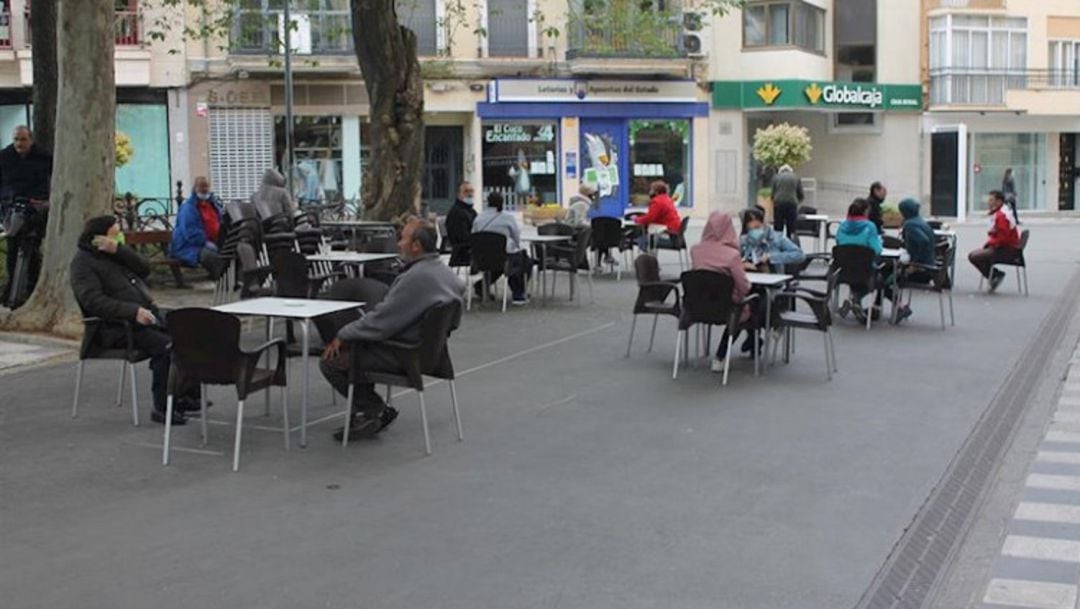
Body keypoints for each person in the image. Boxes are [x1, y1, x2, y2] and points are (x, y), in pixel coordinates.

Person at [320, 219, 464, 441]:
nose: (399, 244)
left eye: (403, 238)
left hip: (404, 354)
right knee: (360, 343)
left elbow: (381, 323)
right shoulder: (448, 276)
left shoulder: (415, 278)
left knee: (332, 360)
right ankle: (369, 413)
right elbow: (453, 322)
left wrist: (343, 334)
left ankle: (373, 409)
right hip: (432, 353)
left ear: (416, 245)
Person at [70, 216, 200, 426]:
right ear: (98, 237)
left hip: (147, 313)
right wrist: (132, 312)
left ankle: (185, 396)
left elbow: (144, 268)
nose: (119, 234)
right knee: (166, 345)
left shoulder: (113, 254)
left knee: (189, 329)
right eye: (115, 232)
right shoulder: (82, 264)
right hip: (115, 326)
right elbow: (94, 301)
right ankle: (162, 407)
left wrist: (119, 250)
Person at [690, 212, 753, 373]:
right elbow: (744, 287)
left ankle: (752, 342)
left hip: (697, 306)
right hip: (726, 308)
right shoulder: (732, 256)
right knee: (750, 305)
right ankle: (722, 354)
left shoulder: (695, 251)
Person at [0, 125, 52, 306]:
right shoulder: (4, 157)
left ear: (30, 140)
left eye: (23, 140)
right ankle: (11, 292)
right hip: (11, 207)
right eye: (16, 139)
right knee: (13, 250)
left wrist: (46, 201)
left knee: (32, 249)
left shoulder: (44, 156)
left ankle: (31, 289)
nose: (19, 144)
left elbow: (54, 178)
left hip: (36, 207)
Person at [472, 191, 531, 305]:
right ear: (502, 203)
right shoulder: (507, 218)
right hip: (503, 257)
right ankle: (518, 293)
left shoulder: (478, 219)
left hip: (481, 258)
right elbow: (516, 238)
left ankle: (481, 285)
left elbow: (473, 235)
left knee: (496, 263)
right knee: (524, 260)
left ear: (488, 203)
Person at [886, 198, 937, 323]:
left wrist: (914, 264)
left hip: (920, 270)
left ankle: (899, 306)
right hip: (929, 267)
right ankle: (888, 307)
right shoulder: (921, 222)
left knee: (884, 279)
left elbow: (923, 241)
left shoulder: (910, 225)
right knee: (888, 272)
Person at [835, 198, 883, 323]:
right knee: (882, 276)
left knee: (854, 267)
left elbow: (839, 244)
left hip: (843, 271)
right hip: (865, 271)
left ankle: (854, 301)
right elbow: (877, 250)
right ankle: (856, 300)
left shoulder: (841, 226)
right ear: (866, 211)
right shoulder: (870, 227)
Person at [170, 176, 226, 278]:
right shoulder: (188, 208)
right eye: (201, 186)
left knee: (233, 252)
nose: (204, 189)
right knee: (209, 256)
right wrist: (205, 242)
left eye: (206, 186)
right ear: (195, 188)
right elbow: (190, 233)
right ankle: (223, 280)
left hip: (213, 242)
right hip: (188, 247)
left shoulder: (213, 205)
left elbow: (221, 222)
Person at [969, 190, 1021, 293]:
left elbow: (1003, 238)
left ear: (999, 201)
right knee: (977, 254)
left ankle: (995, 275)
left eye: (991, 200)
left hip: (1006, 250)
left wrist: (990, 243)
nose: (989, 202)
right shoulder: (1002, 213)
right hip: (1005, 247)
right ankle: (993, 276)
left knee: (973, 256)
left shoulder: (1001, 216)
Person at [739, 208, 805, 273]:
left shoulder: (777, 238)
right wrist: (743, 264)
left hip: (773, 278)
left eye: (757, 227)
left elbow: (799, 255)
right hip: (750, 279)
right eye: (750, 229)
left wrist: (771, 257)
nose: (754, 232)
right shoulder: (744, 240)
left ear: (764, 224)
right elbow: (734, 259)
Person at [634, 180, 681, 251]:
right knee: (646, 234)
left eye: (651, 189)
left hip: (668, 231)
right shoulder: (667, 199)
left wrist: (636, 219)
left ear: (655, 191)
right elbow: (657, 216)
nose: (650, 191)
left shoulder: (657, 201)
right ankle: (649, 255)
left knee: (642, 239)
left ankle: (647, 257)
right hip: (675, 232)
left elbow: (649, 218)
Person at [445, 181, 477, 264]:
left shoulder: (472, 211)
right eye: (466, 191)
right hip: (463, 255)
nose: (470, 194)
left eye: (471, 191)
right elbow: (462, 238)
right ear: (459, 195)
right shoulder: (456, 213)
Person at [770, 164, 804, 240]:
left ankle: (778, 242)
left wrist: (773, 200)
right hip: (792, 204)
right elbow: (800, 193)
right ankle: (790, 241)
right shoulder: (796, 177)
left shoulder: (776, 177)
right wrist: (798, 201)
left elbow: (773, 192)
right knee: (791, 227)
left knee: (778, 226)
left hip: (779, 204)